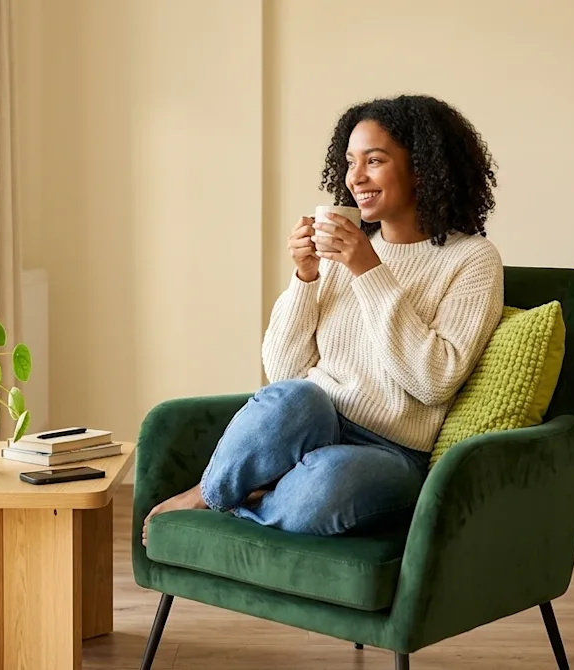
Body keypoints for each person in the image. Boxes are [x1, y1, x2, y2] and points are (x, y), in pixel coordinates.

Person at [143, 94, 504, 544]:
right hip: (317, 419)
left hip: (392, 451)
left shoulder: (471, 260)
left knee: (326, 486)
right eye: (350, 161)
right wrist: (306, 277)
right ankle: (211, 492)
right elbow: (282, 371)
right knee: (292, 398)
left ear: (422, 168)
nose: (356, 177)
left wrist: (368, 270)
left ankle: (258, 496)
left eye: (374, 161)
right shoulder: (342, 251)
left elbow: (434, 381)